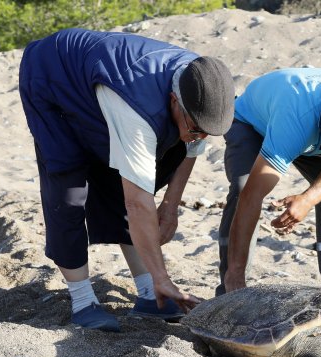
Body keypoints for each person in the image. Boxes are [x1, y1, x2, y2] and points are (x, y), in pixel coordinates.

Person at [19, 28, 235, 331]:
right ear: (174, 100)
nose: (199, 136)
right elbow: (137, 203)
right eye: (196, 128)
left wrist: (171, 206)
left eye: (206, 133)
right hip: (51, 76)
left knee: (124, 177)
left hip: (99, 82)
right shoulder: (137, 108)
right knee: (68, 189)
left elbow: (190, 151)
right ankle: (83, 301)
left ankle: (149, 296)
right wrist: (164, 277)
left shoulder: (204, 88)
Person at [217, 68, 321, 296]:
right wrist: (235, 273)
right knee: (243, 188)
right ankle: (230, 288)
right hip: (252, 124)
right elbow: (252, 194)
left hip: (314, 136)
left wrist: (307, 199)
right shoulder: (296, 115)